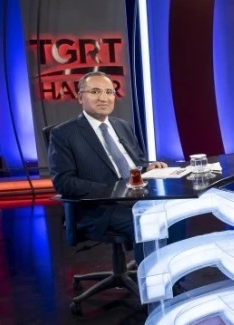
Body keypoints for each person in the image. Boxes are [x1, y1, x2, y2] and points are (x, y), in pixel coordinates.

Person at [48, 71, 168, 263]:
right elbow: (64, 182)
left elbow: (137, 163)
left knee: (175, 215)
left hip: (137, 199)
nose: (103, 98)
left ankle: (170, 274)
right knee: (150, 222)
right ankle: (153, 277)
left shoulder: (123, 126)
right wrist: (115, 190)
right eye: (95, 91)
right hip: (100, 208)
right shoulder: (63, 134)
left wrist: (148, 168)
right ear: (80, 97)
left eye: (109, 92)